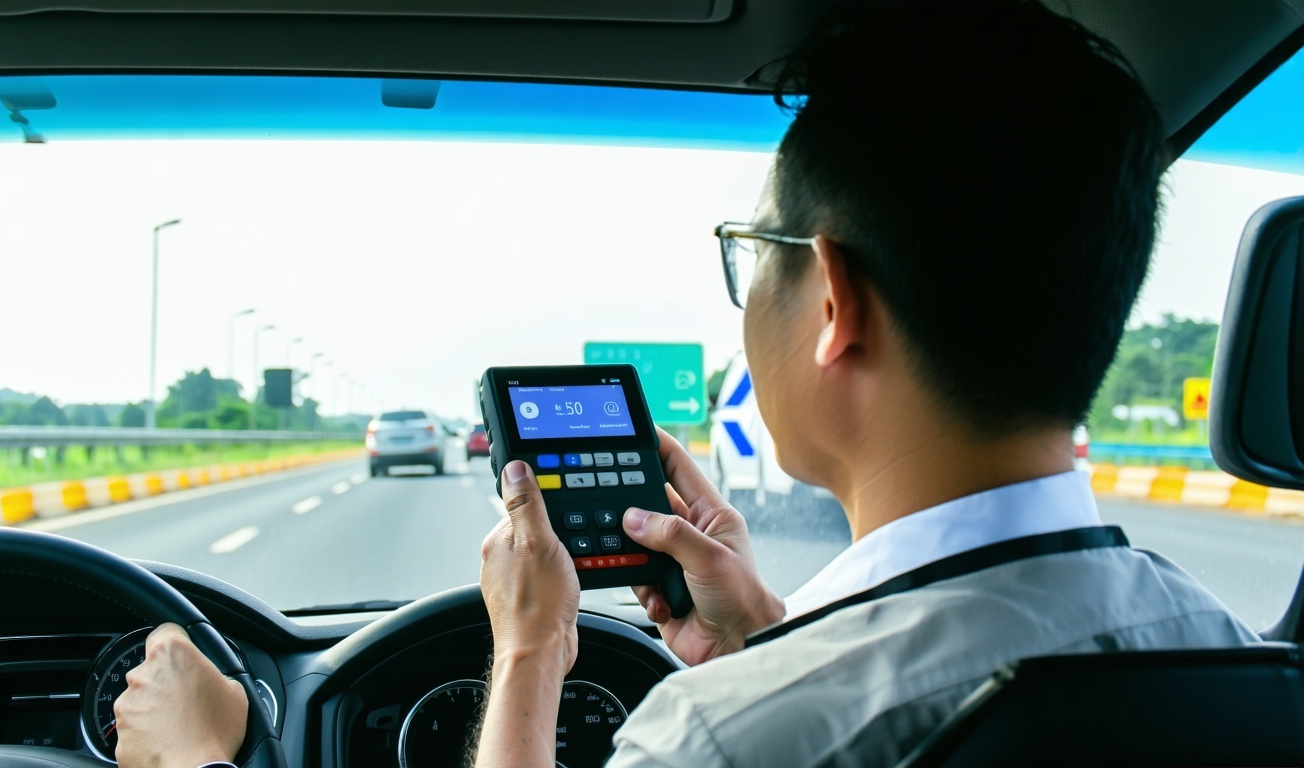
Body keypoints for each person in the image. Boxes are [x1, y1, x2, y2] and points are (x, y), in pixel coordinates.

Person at [113, 2, 1258, 767]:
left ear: (834, 304)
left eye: (753, 256)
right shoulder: (1224, 649)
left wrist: (527, 657)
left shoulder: (725, 737)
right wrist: (768, 630)